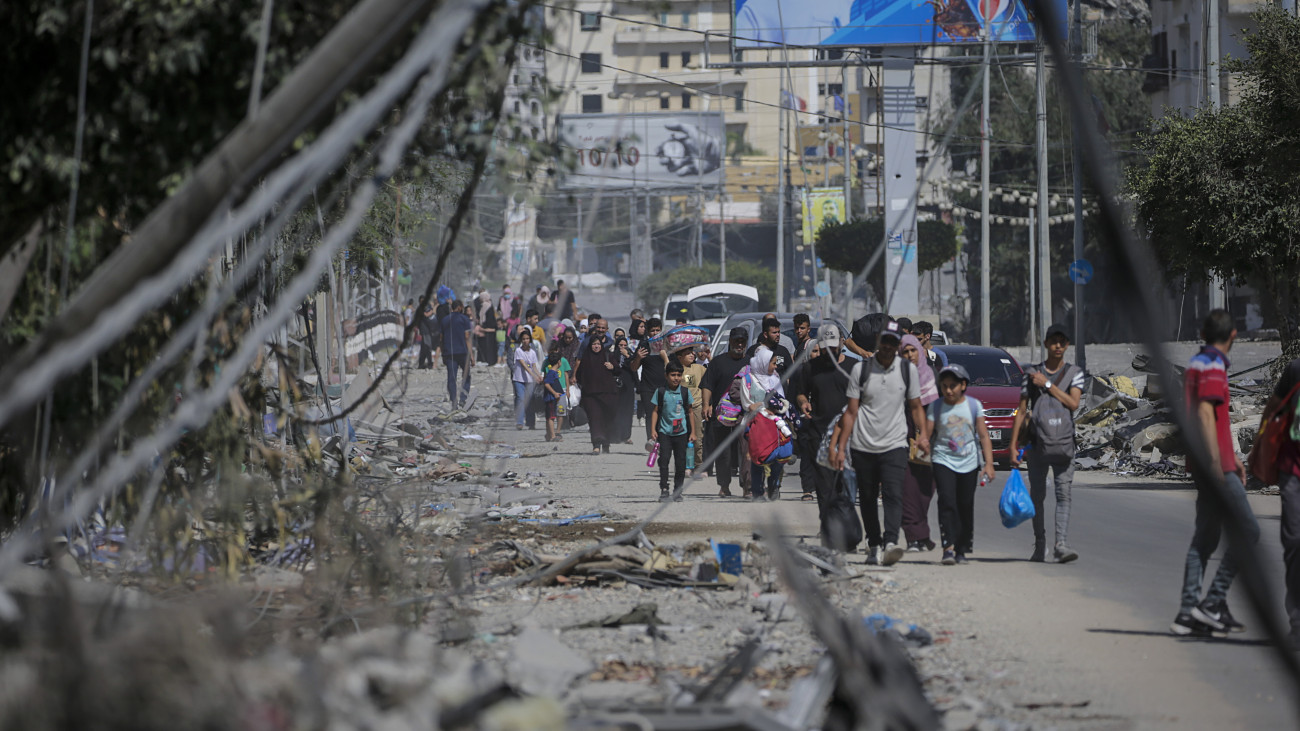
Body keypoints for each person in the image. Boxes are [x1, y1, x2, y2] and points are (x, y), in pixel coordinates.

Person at [1168, 310, 1259, 637]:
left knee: (1204, 540)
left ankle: (1186, 612)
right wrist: (1217, 463)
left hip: (1210, 463)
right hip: (1213, 467)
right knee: (1249, 532)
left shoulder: (1196, 364)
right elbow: (1206, 415)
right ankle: (1213, 601)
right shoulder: (1214, 366)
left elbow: (1212, 420)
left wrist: (1233, 458)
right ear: (1233, 335)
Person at [830, 321, 926, 566]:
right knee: (869, 497)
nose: (888, 346)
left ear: (897, 345)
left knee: (894, 493)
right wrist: (841, 448)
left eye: (893, 342)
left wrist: (923, 434)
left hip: (895, 444)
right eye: (885, 341)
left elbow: (916, 407)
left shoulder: (907, 370)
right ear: (877, 342)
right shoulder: (861, 371)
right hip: (863, 445)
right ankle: (874, 543)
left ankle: (891, 542)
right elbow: (850, 413)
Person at [1009, 323, 1086, 563]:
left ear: (1067, 345)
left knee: (1064, 495)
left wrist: (1048, 385)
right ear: (1045, 344)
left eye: (1062, 342)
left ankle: (1061, 544)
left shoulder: (1075, 373)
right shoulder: (1031, 373)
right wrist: (1013, 446)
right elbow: (1021, 411)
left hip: (1064, 444)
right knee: (1037, 497)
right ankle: (1040, 543)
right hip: (1036, 444)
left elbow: (1074, 404)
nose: (1058, 346)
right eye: (1054, 341)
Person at [925, 364, 995, 565]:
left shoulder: (973, 406)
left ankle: (962, 548)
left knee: (965, 504)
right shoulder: (936, 406)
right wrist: (922, 442)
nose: (948, 390)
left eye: (953, 386)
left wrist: (989, 464)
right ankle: (948, 547)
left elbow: (983, 435)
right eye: (945, 386)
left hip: (969, 462)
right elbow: (927, 434)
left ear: (963, 385)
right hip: (943, 459)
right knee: (947, 501)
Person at [795, 325, 858, 547]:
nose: (829, 352)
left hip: (850, 437)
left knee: (846, 487)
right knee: (824, 487)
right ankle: (828, 530)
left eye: (833, 347)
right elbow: (800, 392)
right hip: (819, 434)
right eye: (824, 349)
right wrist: (803, 402)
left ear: (841, 343)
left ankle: (848, 529)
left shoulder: (853, 368)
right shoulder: (810, 368)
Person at [1258, 355, 1300, 648]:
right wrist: (1260, 443)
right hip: (1293, 468)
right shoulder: (1296, 368)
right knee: (1294, 541)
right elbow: (1274, 406)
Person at [900, 333, 940, 552]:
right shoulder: (897, 377)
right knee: (908, 489)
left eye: (912, 350)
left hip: (928, 440)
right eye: (905, 352)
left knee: (926, 489)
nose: (910, 355)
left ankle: (921, 533)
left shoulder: (932, 375)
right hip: (903, 439)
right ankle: (913, 537)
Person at [702, 328, 751, 497]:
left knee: (745, 452)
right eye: (736, 341)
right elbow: (707, 385)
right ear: (730, 341)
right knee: (723, 452)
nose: (739, 344)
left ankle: (747, 486)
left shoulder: (750, 363)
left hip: (744, 415)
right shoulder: (718, 362)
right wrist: (706, 405)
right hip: (721, 414)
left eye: (742, 341)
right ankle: (724, 485)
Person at [651, 361, 696, 501]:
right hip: (665, 432)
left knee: (680, 462)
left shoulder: (684, 392)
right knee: (663, 460)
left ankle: (678, 490)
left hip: (681, 433)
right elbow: (655, 411)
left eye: (679, 375)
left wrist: (693, 432)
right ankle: (664, 488)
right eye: (673, 375)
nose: (676, 378)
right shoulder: (661, 392)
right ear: (666, 376)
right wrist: (653, 429)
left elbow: (690, 412)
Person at [576, 336, 620, 454]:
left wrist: (612, 367)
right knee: (594, 419)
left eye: (598, 344)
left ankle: (606, 444)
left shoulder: (608, 356)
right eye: (594, 344)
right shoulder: (586, 358)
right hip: (590, 396)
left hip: (608, 394)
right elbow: (579, 375)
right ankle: (596, 444)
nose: (596, 346)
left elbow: (618, 370)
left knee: (607, 419)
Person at [631, 318, 667, 445]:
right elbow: (634, 368)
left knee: (664, 415)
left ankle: (663, 441)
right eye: (652, 330)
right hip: (648, 387)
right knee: (651, 414)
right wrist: (638, 357)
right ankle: (651, 440)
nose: (655, 333)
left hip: (665, 387)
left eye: (658, 330)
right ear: (648, 331)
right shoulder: (644, 345)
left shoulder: (667, 345)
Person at [676, 345, 707, 475]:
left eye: (692, 353)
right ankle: (685, 465)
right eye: (688, 353)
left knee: (698, 437)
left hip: (696, 407)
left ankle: (699, 465)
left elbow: (709, 380)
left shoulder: (699, 368)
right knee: (681, 437)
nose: (692, 355)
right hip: (680, 408)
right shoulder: (676, 370)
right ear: (679, 357)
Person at [439, 299, 474, 407]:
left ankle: (454, 400)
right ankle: (463, 399)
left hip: (449, 353)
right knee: (466, 376)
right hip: (463, 352)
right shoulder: (464, 319)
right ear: (459, 307)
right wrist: (472, 356)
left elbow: (441, 339)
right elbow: (467, 338)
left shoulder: (444, 320)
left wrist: (443, 354)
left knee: (451, 378)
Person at [748, 316, 787, 398]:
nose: (778, 335)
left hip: (780, 397)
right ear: (765, 334)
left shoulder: (783, 351)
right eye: (774, 333)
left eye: (778, 332)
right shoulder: (754, 351)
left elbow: (789, 375)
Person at [511, 326, 541, 430]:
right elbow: (525, 366)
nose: (525, 341)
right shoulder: (518, 351)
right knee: (520, 399)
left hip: (529, 381)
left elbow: (533, 366)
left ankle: (531, 422)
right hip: (519, 379)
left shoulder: (532, 352)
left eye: (527, 339)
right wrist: (534, 376)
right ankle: (519, 422)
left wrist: (539, 375)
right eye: (523, 339)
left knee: (530, 401)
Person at [611, 335, 638, 445]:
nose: (622, 347)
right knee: (617, 410)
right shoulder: (613, 356)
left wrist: (627, 356)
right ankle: (616, 435)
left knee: (628, 411)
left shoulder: (630, 354)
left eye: (625, 345)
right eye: (620, 345)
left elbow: (634, 369)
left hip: (628, 385)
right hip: (616, 385)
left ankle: (626, 436)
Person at [540, 350, 565, 443]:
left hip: (552, 398)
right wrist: (554, 393)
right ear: (559, 362)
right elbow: (546, 384)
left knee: (550, 416)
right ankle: (553, 436)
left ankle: (548, 435)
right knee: (551, 417)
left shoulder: (553, 372)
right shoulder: (552, 373)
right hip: (550, 398)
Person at [475, 292, 498, 367]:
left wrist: (483, 326)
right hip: (490, 329)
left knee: (488, 345)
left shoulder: (485, 305)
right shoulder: (490, 305)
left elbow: (485, 318)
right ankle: (491, 361)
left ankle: (486, 360)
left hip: (487, 329)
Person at [416, 296, 437, 370]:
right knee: (426, 347)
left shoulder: (426, 307)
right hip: (424, 331)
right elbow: (426, 315)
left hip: (428, 331)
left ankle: (423, 363)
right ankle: (427, 363)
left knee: (425, 347)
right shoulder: (420, 309)